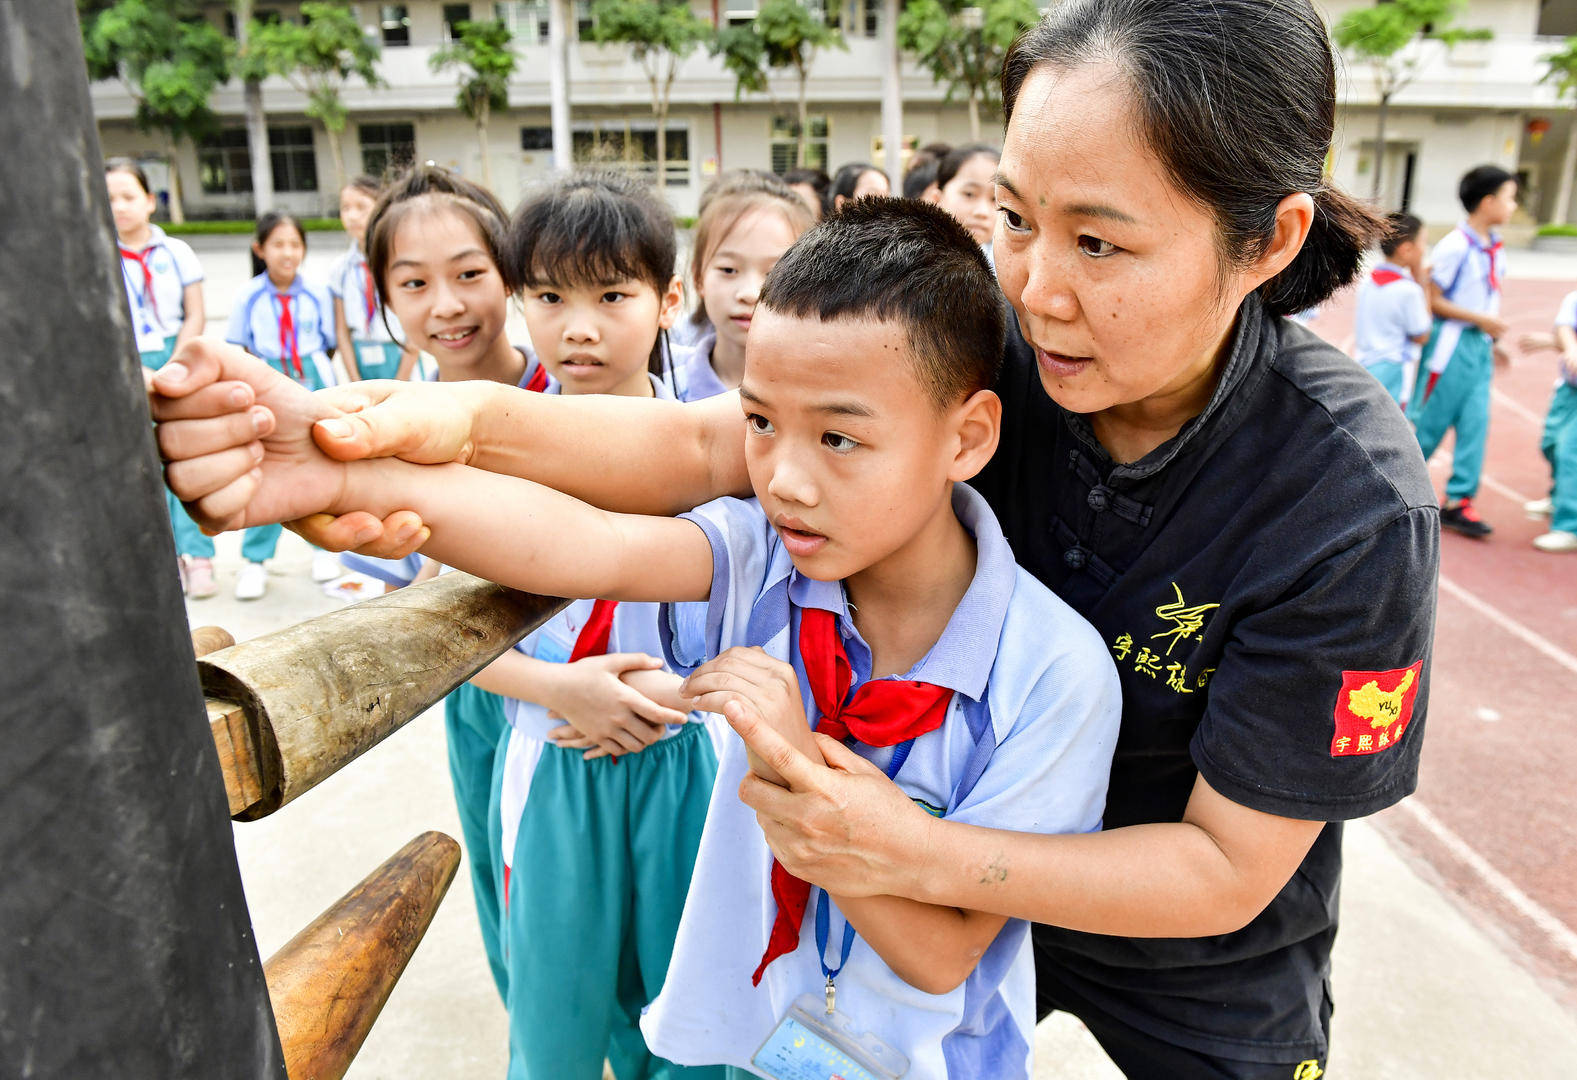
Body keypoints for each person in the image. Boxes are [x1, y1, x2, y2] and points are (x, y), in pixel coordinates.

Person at [150, 1, 1440, 1075]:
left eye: (1098, 241)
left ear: (1266, 239)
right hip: (904, 889)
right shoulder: (993, 333)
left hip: (1178, 963)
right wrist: (377, 431)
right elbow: (703, 452)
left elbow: (1221, 868)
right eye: (1017, 216)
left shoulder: (1344, 508)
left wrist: (895, 847)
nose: (1039, 286)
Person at [156, 198, 1123, 1078]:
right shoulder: (771, 564)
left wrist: (787, 758)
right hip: (757, 1044)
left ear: (966, 438)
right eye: (757, 422)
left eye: (837, 438)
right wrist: (343, 470)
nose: (782, 478)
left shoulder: (1052, 675)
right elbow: (591, 545)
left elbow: (941, 950)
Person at [484, 169, 727, 1080]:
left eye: (610, 295)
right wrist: (559, 687)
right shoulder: (498, 452)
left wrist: (685, 696)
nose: (577, 326)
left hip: (691, 761)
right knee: (554, 1020)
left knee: (691, 1016)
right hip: (552, 757)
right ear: (521, 303)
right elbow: (440, 640)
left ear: (670, 299)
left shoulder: (717, 451)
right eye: (549, 297)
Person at [336, 163, 545, 1000]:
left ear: (509, 273)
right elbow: (409, 611)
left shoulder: (580, 391)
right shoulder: (386, 429)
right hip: (485, 696)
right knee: (513, 896)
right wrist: (557, 690)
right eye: (413, 284)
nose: (447, 306)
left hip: (620, 683)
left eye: (468, 274)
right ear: (384, 298)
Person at [106, 158, 214, 598]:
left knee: (186, 455)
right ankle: (164, 558)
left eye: (128, 197)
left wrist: (176, 364)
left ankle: (201, 555)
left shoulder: (177, 253)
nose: (119, 207)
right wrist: (136, 367)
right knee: (141, 463)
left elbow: (196, 313)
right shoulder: (100, 255)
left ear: (150, 201)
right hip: (125, 361)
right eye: (109, 199)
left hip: (177, 357)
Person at [224, 211, 340, 599]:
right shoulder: (249, 295)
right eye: (278, 244)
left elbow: (328, 341)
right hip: (267, 376)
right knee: (265, 466)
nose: (287, 253)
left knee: (319, 463)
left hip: (311, 375)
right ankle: (255, 561)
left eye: (295, 244)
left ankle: (323, 549)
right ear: (260, 249)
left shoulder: (318, 293)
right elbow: (239, 347)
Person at [1410, 164, 1518, 539]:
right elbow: (1434, 298)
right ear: (1487, 202)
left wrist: (1492, 340)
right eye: (1509, 197)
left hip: (1478, 346)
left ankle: (1459, 501)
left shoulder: (1493, 248)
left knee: (1476, 424)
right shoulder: (1456, 246)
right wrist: (1480, 320)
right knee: (1431, 423)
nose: (1513, 205)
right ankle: (1400, 488)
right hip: (1451, 345)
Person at [676, 170, 815, 398]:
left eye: (773, 274)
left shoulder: (824, 394)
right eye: (728, 270)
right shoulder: (666, 390)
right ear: (698, 277)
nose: (750, 293)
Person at [329, 175, 419, 383]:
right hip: (360, 359)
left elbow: (414, 325)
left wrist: (401, 380)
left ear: (381, 208)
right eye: (345, 208)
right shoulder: (340, 269)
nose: (352, 216)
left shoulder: (401, 261)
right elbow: (342, 331)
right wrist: (354, 378)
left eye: (361, 207)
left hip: (400, 355)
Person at [1352, 211, 1432, 409]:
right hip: (1393, 368)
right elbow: (1422, 335)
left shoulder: (1368, 281)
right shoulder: (1409, 291)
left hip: (1363, 363)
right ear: (1406, 249)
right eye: (1423, 243)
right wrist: (1423, 282)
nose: (1425, 250)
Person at [1528, 290, 1577, 552]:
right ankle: (1561, 496)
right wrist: (1566, 346)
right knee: (1551, 444)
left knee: (1571, 452)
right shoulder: (1574, 298)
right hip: (1570, 389)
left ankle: (1569, 527)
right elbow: (1565, 326)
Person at [934, 143, 1000, 251]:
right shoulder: (912, 260)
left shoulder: (1003, 264)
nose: (982, 212)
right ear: (937, 199)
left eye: (995, 199)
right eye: (969, 194)